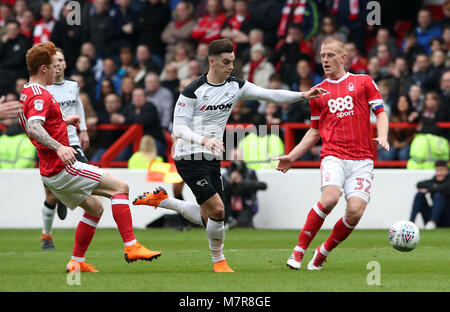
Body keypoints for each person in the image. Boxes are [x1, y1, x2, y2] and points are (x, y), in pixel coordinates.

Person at [133, 38, 326, 273]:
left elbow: (270, 94)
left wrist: (302, 95)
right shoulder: (192, 91)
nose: (230, 67)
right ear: (212, 61)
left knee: (210, 216)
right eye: (226, 62)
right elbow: (179, 129)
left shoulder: (236, 86)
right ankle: (218, 261)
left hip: (212, 157)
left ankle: (164, 200)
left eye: (232, 62)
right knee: (218, 210)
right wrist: (203, 139)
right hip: (189, 155)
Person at [18, 41, 161, 272]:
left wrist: (62, 122)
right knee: (120, 188)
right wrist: (59, 147)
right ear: (43, 68)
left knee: (95, 208)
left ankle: (77, 262)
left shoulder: (28, 91)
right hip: (62, 165)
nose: (58, 69)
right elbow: (34, 127)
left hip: (50, 171)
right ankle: (131, 246)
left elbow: (31, 123)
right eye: (53, 65)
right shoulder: (40, 96)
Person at [274, 38, 390, 270]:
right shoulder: (319, 92)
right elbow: (314, 131)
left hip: (362, 160)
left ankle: (322, 251)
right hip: (333, 155)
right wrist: (292, 156)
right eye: (322, 55)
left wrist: (383, 135)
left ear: (343, 58)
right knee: (330, 198)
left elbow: (380, 112)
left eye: (330, 55)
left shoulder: (363, 81)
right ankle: (298, 251)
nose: (324, 59)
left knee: (355, 212)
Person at [38, 48, 90, 250]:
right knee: (50, 195)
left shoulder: (73, 86)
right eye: (54, 61)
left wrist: (83, 130)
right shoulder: (42, 89)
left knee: (87, 178)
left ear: (65, 64)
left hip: (72, 142)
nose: (57, 64)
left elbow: (78, 107)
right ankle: (46, 235)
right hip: (49, 145)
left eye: (60, 60)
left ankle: (65, 196)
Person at [222, 160, 267, 228]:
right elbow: (223, 194)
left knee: (243, 222)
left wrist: (241, 182)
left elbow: (263, 186)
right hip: (229, 207)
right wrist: (230, 182)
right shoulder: (225, 175)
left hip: (246, 206)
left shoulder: (250, 173)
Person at [410, 160, 450, 229]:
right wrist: (434, 187)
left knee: (438, 195)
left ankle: (432, 222)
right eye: (437, 170)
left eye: (441, 170)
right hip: (432, 216)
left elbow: (444, 188)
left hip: (447, 218)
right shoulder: (434, 181)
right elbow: (419, 184)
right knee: (419, 195)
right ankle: (411, 223)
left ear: (448, 171)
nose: (439, 173)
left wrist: (428, 189)